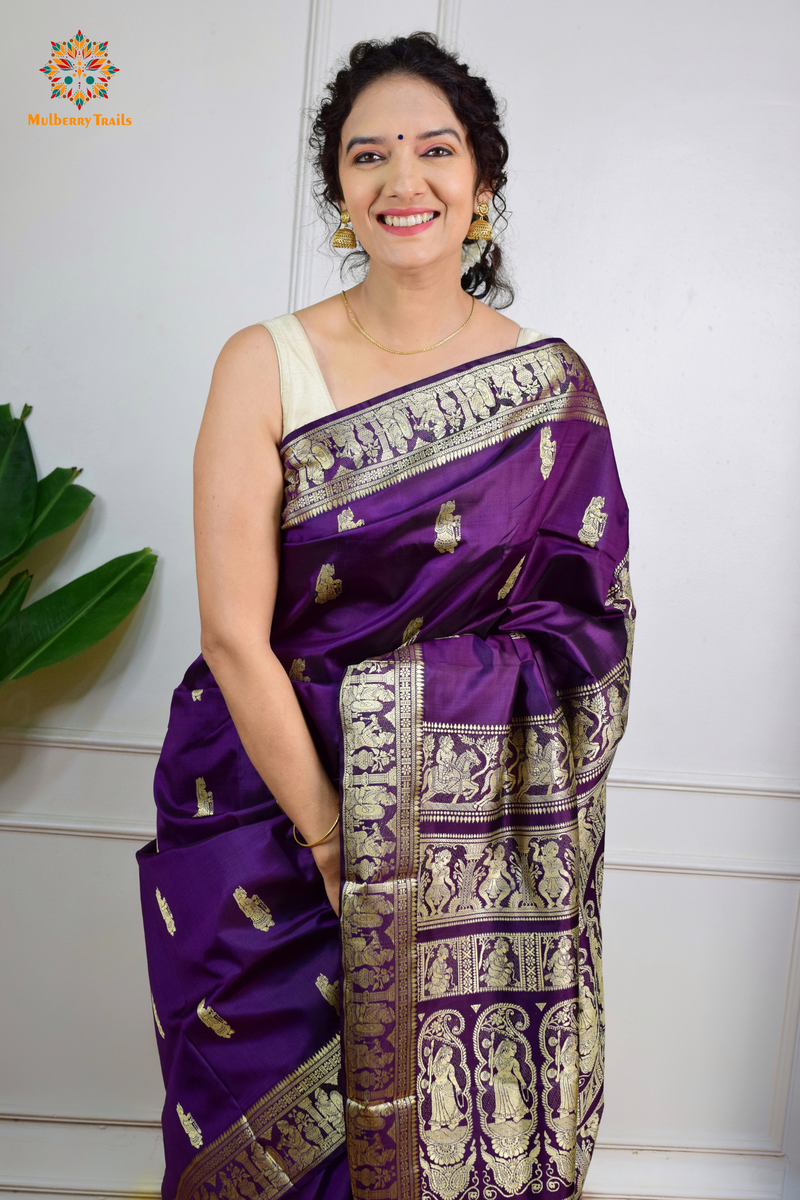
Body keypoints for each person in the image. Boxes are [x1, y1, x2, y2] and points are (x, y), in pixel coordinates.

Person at [137, 31, 635, 1200]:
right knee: (255, 1124)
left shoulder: (546, 392)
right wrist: (330, 835)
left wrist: (399, 823)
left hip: (462, 846)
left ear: (481, 187)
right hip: (261, 804)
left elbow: (583, 637)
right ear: (339, 193)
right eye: (367, 157)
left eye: (433, 151)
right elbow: (232, 635)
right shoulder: (263, 361)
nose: (400, 180)